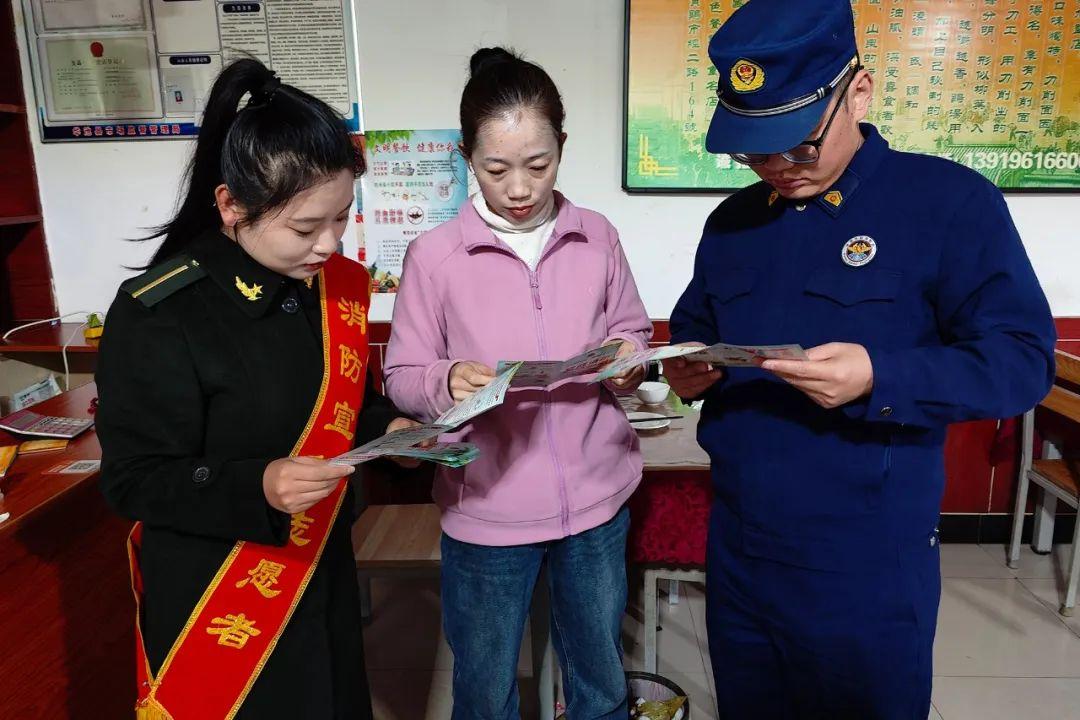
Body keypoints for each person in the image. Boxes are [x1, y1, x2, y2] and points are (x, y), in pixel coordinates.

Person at [664, 1, 1057, 717]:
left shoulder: (947, 204)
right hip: (742, 549)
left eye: (798, 146)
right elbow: (697, 327)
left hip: (866, 560)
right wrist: (688, 370)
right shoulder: (733, 223)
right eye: (755, 152)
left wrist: (882, 376)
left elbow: (1022, 361)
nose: (777, 169)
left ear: (860, 93)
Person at [96, 58, 421, 719]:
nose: (329, 245)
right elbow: (133, 479)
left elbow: (345, 401)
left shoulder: (332, 289)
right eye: (305, 228)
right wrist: (257, 486)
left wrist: (390, 430)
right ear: (231, 205)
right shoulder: (162, 310)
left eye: (341, 218)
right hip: (217, 593)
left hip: (318, 570)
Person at [383, 48, 652, 720]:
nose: (520, 188)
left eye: (539, 164)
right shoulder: (435, 257)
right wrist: (448, 378)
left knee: (600, 680)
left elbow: (631, 328)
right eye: (496, 169)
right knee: (484, 684)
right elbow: (403, 376)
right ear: (467, 159)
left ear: (562, 146)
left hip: (595, 499)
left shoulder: (597, 237)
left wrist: (628, 358)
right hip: (487, 506)